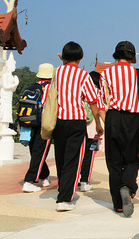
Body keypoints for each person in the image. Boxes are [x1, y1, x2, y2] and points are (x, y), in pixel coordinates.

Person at [100, 40, 139, 217]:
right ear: (132, 56)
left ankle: (118, 205)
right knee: (131, 158)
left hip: (113, 117)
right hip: (132, 119)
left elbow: (102, 100)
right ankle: (128, 186)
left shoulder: (106, 73)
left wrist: (108, 122)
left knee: (114, 162)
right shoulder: (138, 73)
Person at [52, 42, 103, 212]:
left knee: (60, 156)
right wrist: (97, 123)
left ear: (64, 57)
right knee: (73, 159)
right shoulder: (83, 76)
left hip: (59, 120)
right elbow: (93, 101)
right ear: (80, 58)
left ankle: (62, 188)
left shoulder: (57, 72)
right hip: (76, 121)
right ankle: (65, 198)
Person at [21, 63, 54, 193]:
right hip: (43, 124)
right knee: (40, 152)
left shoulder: (31, 87)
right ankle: (29, 181)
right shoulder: (49, 89)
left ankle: (44, 175)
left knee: (35, 151)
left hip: (30, 123)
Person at [79, 71, 106, 192]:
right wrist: (107, 125)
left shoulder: (80, 90)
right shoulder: (97, 92)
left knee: (78, 155)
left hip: (79, 127)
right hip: (92, 130)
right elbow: (100, 110)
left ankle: (77, 178)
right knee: (89, 156)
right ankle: (85, 181)